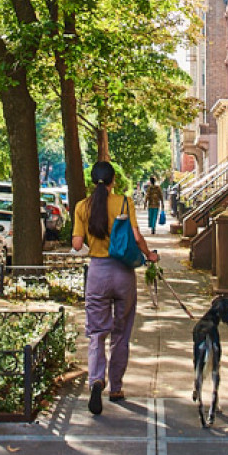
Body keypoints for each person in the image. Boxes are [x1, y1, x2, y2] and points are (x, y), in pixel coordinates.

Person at [72, 161, 159, 416]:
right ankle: (117, 387)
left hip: (97, 274)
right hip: (123, 273)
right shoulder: (124, 202)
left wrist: (88, 238)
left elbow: (77, 244)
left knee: (97, 333)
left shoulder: (81, 207)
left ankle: (96, 380)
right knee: (121, 332)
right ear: (113, 182)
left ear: (92, 181)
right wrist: (149, 255)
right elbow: (136, 236)